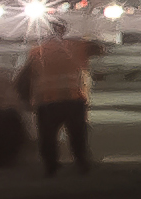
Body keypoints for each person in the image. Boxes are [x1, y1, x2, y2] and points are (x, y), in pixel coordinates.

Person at [19, 17, 100, 175]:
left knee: (48, 137)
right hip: (73, 100)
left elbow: (25, 78)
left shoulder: (37, 51)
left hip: (48, 102)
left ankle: (51, 167)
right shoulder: (77, 46)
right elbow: (100, 49)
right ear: (64, 29)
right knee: (77, 135)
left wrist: (26, 100)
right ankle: (82, 164)